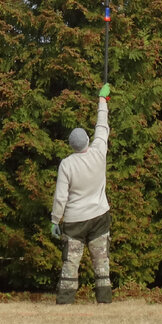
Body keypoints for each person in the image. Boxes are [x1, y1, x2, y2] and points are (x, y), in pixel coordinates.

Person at [50, 82, 113, 304]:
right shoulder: (98, 153)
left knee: (70, 263)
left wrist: (56, 220)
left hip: (75, 221)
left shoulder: (67, 165)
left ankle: (65, 300)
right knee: (101, 260)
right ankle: (104, 299)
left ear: (71, 146)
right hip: (99, 217)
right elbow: (102, 127)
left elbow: (61, 197)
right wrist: (101, 100)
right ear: (87, 140)